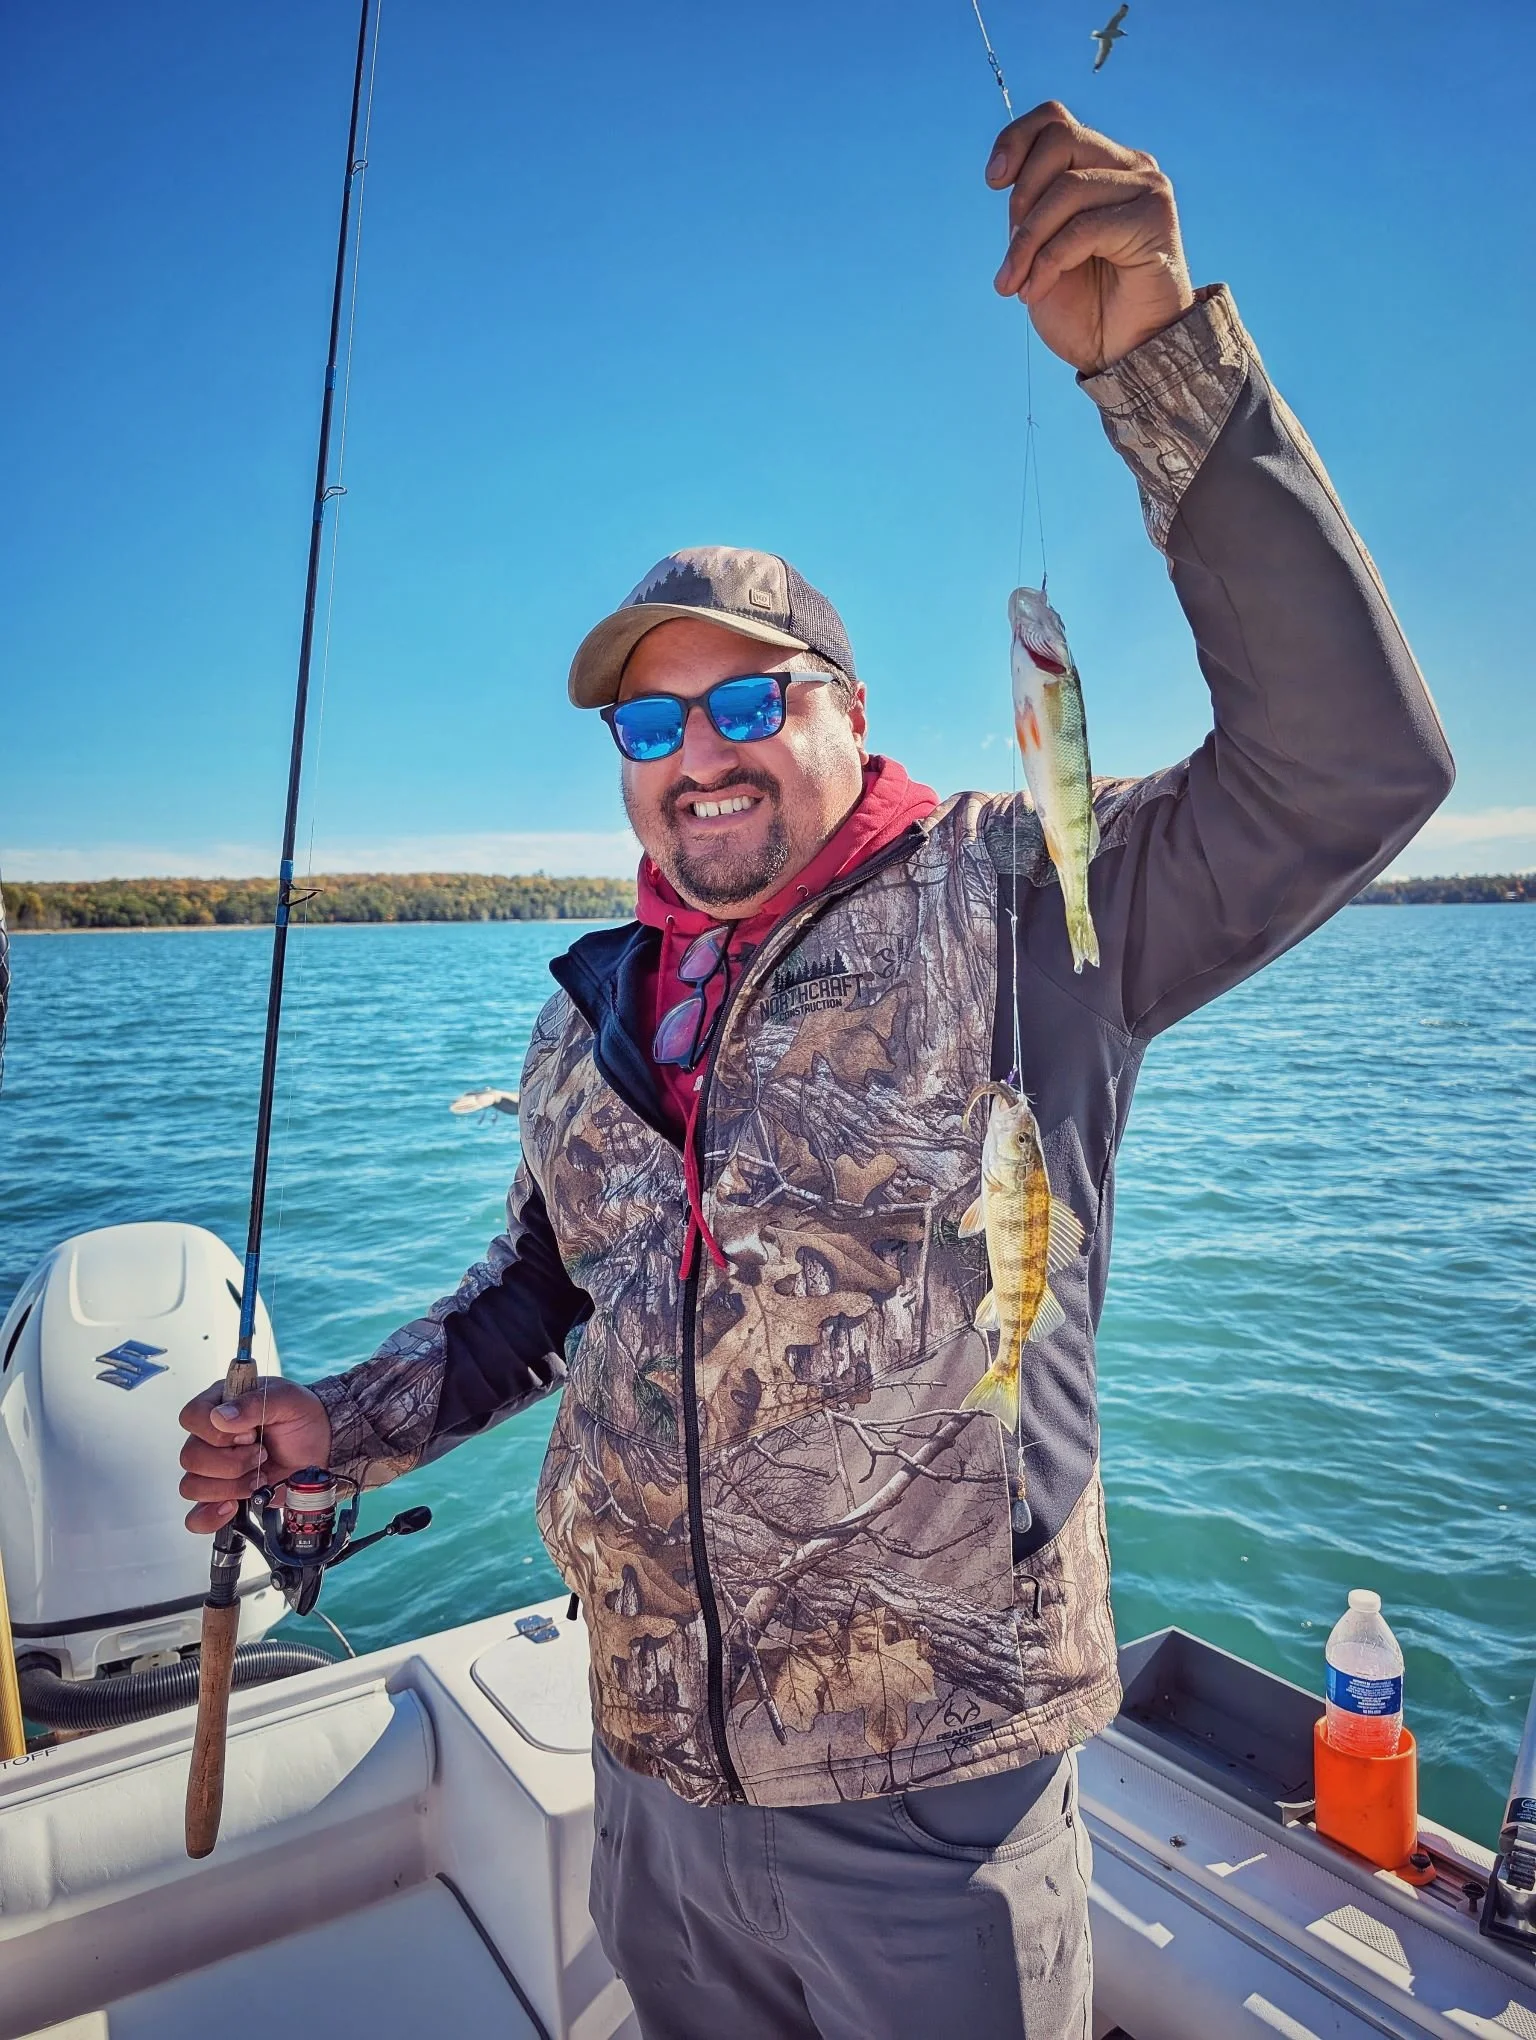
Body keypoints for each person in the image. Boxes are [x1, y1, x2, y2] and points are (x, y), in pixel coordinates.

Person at [179, 101, 1453, 2040]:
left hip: (929, 1824)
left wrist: (1163, 371)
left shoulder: (1029, 907)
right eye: (651, 715)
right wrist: (325, 1431)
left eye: (750, 698)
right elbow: (542, 1306)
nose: (700, 750)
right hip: (651, 1798)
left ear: (849, 716)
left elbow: (1352, 769)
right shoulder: (597, 1009)